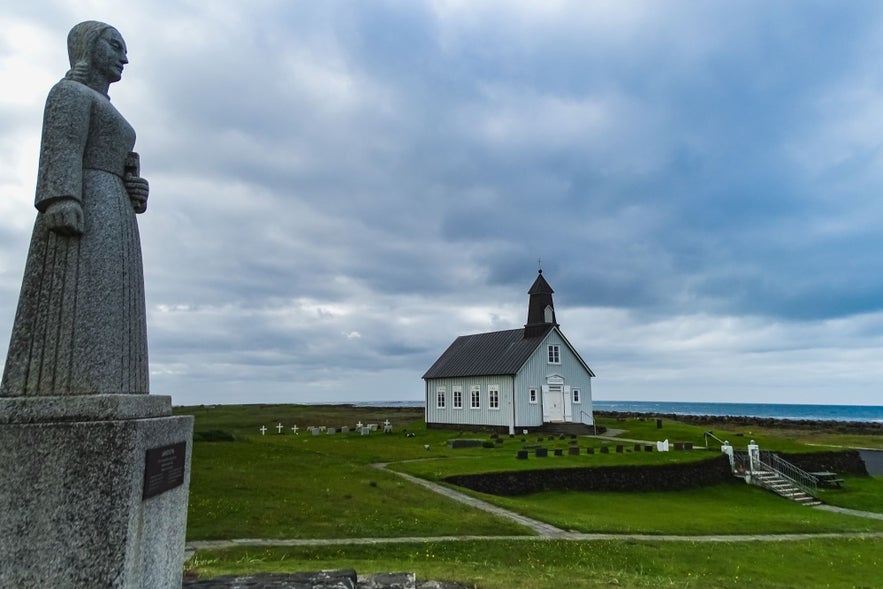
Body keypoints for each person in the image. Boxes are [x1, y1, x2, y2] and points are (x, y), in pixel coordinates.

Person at [1, 21, 150, 396]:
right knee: (82, 298)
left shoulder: (106, 107)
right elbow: (62, 145)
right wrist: (62, 197)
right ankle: (73, 384)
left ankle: (118, 383)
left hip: (116, 208)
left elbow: (121, 163)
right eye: (115, 46)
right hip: (87, 202)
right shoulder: (68, 93)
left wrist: (134, 187)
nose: (124, 58)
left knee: (112, 301)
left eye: (124, 50)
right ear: (87, 47)